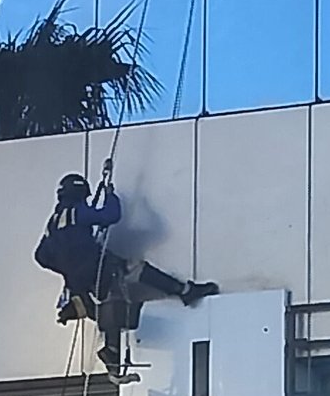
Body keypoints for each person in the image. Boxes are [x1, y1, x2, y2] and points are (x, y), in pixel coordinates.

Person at [36, 161, 216, 379]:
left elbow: (41, 256)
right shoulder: (78, 211)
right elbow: (111, 216)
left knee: (110, 298)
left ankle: (110, 349)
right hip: (95, 266)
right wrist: (111, 195)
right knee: (133, 272)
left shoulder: (53, 223)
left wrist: (67, 265)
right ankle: (186, 291)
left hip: (76, 279)